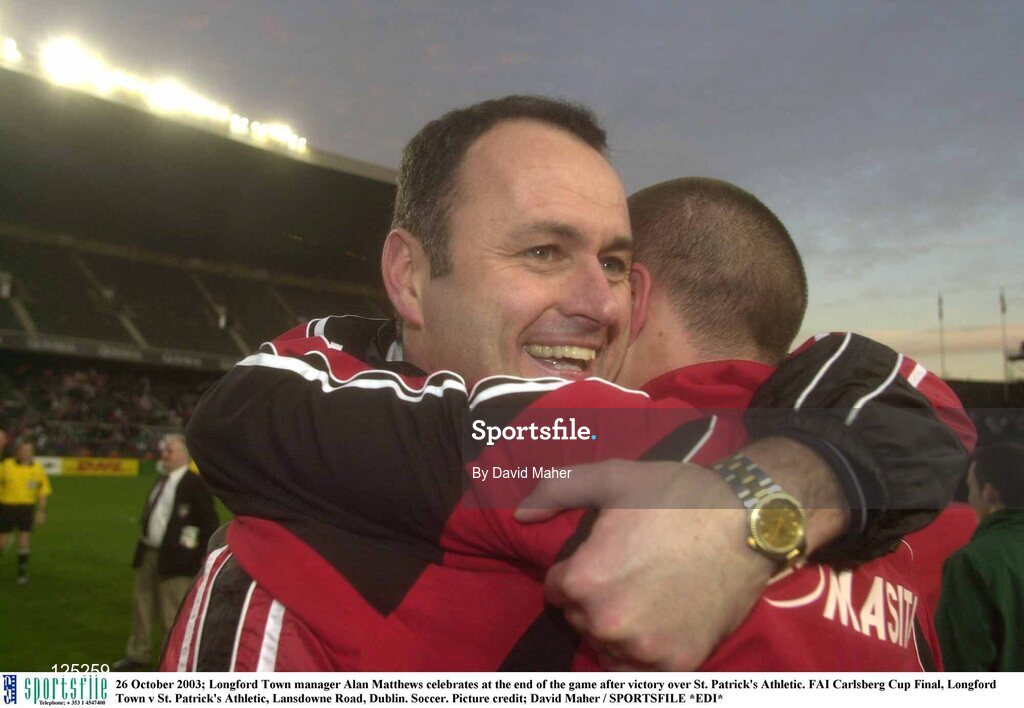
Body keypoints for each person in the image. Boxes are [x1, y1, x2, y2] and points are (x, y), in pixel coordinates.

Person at [166, 96, 970, 670]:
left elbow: (252, 409)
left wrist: (749, 506)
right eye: (544, 251)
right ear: (410, 278)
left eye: (613, 263)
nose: (595, 302)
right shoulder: (919, 520)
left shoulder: (325, 540)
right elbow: (921, 410)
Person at [113, 434, 218, 671]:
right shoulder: (163, 480)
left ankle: (170, 663)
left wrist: (197, 555)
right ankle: (138, 655)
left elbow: (209, 523)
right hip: (150, 552)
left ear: (184, 455)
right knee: (143, 604)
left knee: (172, 612)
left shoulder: (195, 484)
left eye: (170, 451)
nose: (164, 455)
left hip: (177, 558)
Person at [935, 442, 1024, 671]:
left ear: (989, 492)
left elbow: (963, 667)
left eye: (970, 488)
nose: (970, 499)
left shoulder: (971, 562)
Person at [0, 440, 51, 585]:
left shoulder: (37, 469)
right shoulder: (6, 465)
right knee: (1, 543)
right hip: (6, 506)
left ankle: (21, 575)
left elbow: (43, 491)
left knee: (24, 539)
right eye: (23, 450)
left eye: (29, 450)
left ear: (32, 452)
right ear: (18, 451)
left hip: (26, 508)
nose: (25, 453)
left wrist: (41, 510)